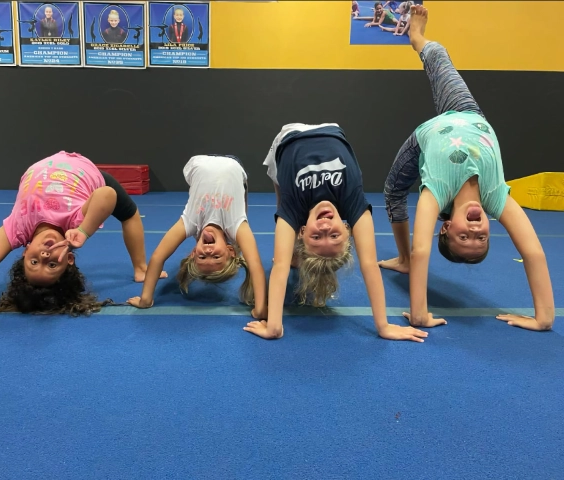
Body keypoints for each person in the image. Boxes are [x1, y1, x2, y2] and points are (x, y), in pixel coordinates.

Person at [379, 4, 555, 331]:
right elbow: (534, 253)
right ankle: (418, 38)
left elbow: (422, 249)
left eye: (464, 236)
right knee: (439, 56)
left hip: (426, 137)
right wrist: (544, 319)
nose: (474, 232)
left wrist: (419, 314)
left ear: (445, 228)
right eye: (481, 239)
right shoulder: (497, 197)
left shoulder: (437, 192)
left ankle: (401, 261)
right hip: (467, 112)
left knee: (393, 193)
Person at [243, 123, 428, 342]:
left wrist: (274, 326)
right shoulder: (353, 204)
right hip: (331, 129)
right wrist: (383, 326)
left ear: (301, 232)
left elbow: (280, 267)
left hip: (288, 138)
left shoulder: (293, 210)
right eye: (334, 236)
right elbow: (369, 264)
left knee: (282, 200)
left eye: (316, 236)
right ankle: (295, 251)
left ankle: (292, 249)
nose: (325, 228)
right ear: (348, 230)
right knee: (285, 210)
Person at [0, 151, 165, 320]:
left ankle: (139, 267)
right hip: (87, 174)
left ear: (25, 251)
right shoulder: (75, 224)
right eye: (53, 266)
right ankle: (141, 268)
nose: (45, 257)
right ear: (69, 259)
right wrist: (84, 231)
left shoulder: (17, 228)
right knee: (130, 215)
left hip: (45, 165)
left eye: (34, 261)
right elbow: (106, 195)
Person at [128, 155, 267, 319]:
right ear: (230, 251)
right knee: (243, 214)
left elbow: (158, 256)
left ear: (193, 252)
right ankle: (235, 238)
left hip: (197, 164)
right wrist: (260, 307)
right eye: (216, 256)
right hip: (234, 165)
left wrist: (146, 299)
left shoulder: (190, 222)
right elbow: (255, 264)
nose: (208, 251)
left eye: (202, 256)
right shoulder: (236, 225)